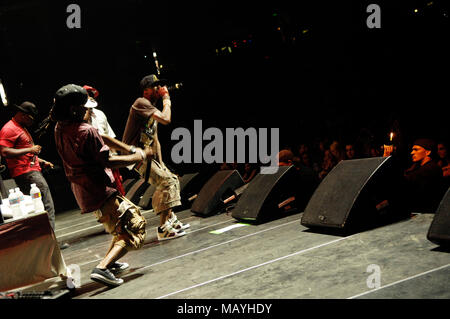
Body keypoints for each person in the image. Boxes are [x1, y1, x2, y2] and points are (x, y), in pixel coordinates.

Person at [52, 84, 153, 287]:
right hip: (99, 188)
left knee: (118, 226)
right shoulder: (85, 130)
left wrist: (126, 148)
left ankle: (111, 263)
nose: (88, 110)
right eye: (84, 107)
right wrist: (138, 155)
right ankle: (103, 267)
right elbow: (108, 161)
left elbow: (101, 137)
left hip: (83, 189)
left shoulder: (59, 127)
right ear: (74, 109)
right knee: (135, 227)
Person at [122, 74, 189, 241]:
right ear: (146, 91)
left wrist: (160, 163)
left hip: (147, 154)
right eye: (155, 86)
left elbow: (155, 139)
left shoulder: (151, 107)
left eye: (160, 86)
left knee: (171, 178)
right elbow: (167, 119)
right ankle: (163, 228)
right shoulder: (141, 103)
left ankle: (171, 220)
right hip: (135, 155)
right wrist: (167, 98)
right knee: (166, 182)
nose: (159, 89)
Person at [0, 102, 56, 229]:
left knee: (38, 207)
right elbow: (4, 151)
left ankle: (46, 239)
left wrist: (40, 161)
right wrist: (30, 150)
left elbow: (24, 153)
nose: (32, 122)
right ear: (23, 115)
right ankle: (51, 240)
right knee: (46, 205)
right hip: (26, 173)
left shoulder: (20, 128)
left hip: (29, 171)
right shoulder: (9, 129)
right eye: (31, 118)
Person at [83, 85, 125, 196]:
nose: (91, 98)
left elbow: (109, 135)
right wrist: (86, 108)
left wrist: (115, 157)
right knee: (105, 195)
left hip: (109, 158)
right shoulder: (80, 116)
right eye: (87, 95)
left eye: (92, 95)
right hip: (95, 162)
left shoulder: (100, 114)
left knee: (118, 190)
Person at [385, 138, 445, 213]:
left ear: (427, 152)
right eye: (412, 150)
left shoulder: (431, 169)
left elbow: (404, 185)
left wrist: (387, 162)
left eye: (416, 150)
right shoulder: (418, 167)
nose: (412, 152)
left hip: (426, 215)